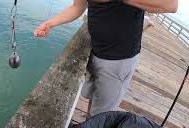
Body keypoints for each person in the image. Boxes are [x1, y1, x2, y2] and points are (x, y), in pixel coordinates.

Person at [34, 0, 178, 117]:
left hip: (119, 59)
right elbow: (77, 7)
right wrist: (51, 23)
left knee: (102, 115)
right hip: (95, 50)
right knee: (94, 101)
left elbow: (170, 5)